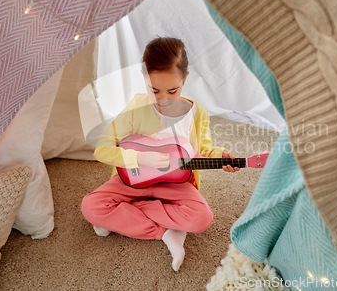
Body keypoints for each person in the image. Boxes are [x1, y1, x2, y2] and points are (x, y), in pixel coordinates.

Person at [81, 37, 239, 271]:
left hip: (176, 183)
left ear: (185, 79)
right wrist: (139, 158)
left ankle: (127, 215)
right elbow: (102, 149)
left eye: (172, 90)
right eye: (154, 90)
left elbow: (202, 149)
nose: (163, 99)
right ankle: (165, 231)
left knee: (202, 218)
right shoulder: (135, 109)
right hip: (133, 181)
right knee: (90, 206)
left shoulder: (197, 113)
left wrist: (220, 154)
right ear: (144, 78)